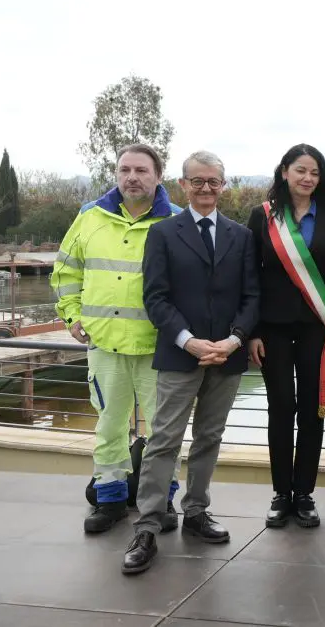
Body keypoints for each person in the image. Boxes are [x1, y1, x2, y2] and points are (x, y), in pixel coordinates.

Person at [121, 151, 259, 574]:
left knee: (209, 438)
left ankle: (196, 511)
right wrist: (189, 341)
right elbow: (155, 297)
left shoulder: (241, 236)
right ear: (183, 185)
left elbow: (252, 296)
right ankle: (147, 526)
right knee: (164, 440)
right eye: (197, 181)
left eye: (213, 181)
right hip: (180, 355)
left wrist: (233, 341)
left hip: (227, 357)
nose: (205, 188)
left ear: (223, 186)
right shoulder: (162, 233)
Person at [51, 142, 182, 534]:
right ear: (116, 174)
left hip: (159, 347)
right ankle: (109, 500)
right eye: (125, 170)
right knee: (109, 424)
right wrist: (71, 315)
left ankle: (161, 500)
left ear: (158, 176)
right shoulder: (89, 217)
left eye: (141, 170)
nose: (132, 177)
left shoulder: (177, 221)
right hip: (105, 343)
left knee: (164, 430)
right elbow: (66, 271)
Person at [246, 144, 325, 528]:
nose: (308, 178)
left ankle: (304, 493)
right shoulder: (262, 216)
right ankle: (281, 493)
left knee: (312, 410)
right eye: (301, 170)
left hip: (317, 329)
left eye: (315, 172)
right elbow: (250, 277)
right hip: (271, 329)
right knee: (280, 408)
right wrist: (252, 332)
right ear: (285, 172)